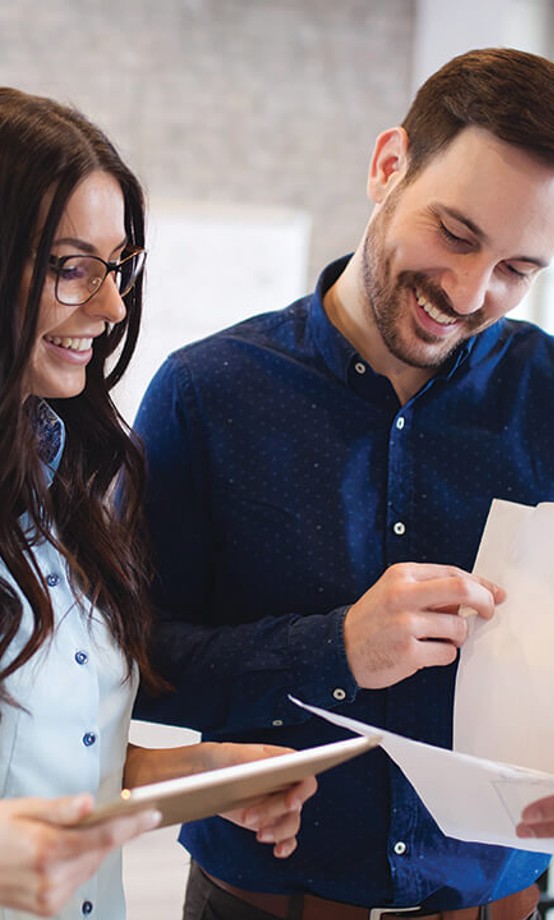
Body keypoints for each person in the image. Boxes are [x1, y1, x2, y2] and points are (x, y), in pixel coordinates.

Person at [133, 48, 554, 920]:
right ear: (387, 168)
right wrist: (335, 648)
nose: (467, 291)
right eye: (455, 233)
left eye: (519, 270)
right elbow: (137, 660)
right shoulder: (207, 391)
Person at [0, 87, 319, 920]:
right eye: (72, 267)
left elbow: (47, 754)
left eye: (118, 268)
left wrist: (186, 775)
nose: (109, 309)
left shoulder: (65, 480)